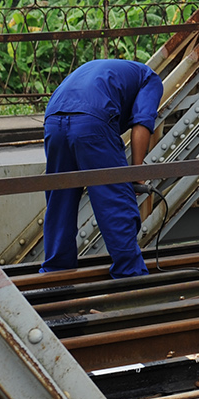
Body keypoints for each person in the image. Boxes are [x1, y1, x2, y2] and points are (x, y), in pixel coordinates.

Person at [41, 58, 163, 279]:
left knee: (60, 200)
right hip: (92, 121)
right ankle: (130, 275)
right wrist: (137, 173)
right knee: (114, 199)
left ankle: (55, 274)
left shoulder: (106, 69)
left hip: (53, 120)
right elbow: (142, 123)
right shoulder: (150, 79)